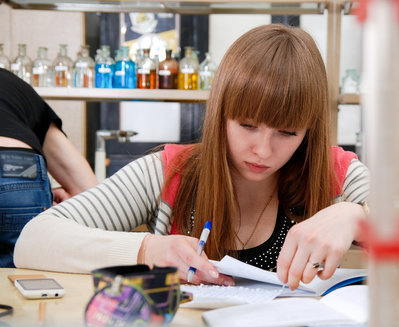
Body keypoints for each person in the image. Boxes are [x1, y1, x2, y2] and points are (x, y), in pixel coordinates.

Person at [14, 24, 370, 290]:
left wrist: (358, 216)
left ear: (310, 131)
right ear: (220, 114)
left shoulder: (335, 174)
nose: (263, 150)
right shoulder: (168, 172)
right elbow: (34, 241)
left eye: (287, 133)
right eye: (247, 125)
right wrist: (147, 249)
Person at [0, 68, 98, 267]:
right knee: (19, 280)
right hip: (17, 171)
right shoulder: (13, 85)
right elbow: (90, 192)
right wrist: (41, 198)